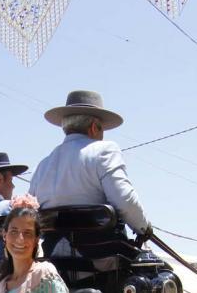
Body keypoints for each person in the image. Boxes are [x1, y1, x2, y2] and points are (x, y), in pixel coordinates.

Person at [28, 90, 150, 236]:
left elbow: (31, 212)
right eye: (102, 129)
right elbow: (124, 201)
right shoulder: (104, 150)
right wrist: (144, 228)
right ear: (93, 127)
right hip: (100, 246)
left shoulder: (42, 166)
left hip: (52, 247)